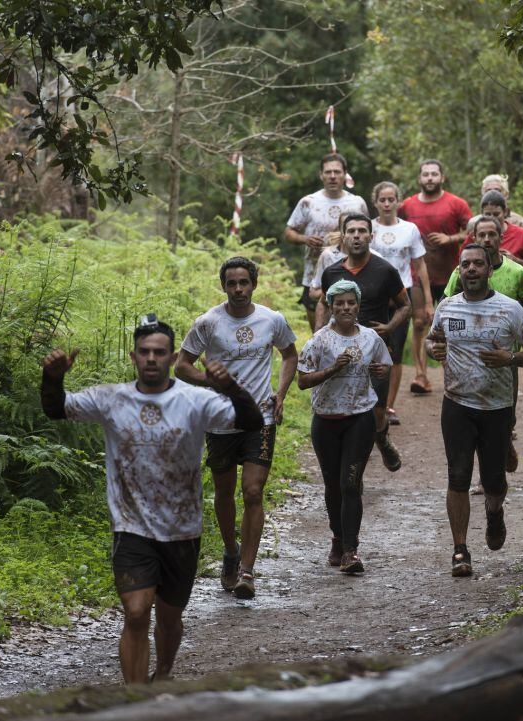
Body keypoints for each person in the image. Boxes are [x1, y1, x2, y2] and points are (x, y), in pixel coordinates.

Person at [40, 316, 263, 683]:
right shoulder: (111, 398)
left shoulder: (195, 400)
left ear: (173, 357)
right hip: (131, 526)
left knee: (170, 617)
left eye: (159, 352)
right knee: (136, 611)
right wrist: (53, 377)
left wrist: (232, 386)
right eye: (144, 352)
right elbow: (56, 408)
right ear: (133, 357)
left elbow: (251, 421)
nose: (151, 358)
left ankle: (163, 671)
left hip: (182, 529)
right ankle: (135, 699)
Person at [174, 257, 298, 600]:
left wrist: (281, 394)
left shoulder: (271, 319)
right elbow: (182, 365)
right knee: (225, 492)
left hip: (259, 418)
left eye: (244, 282)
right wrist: (208, 380)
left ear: (254, 284)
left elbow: (290, 355)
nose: (239, 289)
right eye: (232, 283)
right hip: (220, 420)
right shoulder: (208, 322)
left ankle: (247, 570)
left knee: (253, 491)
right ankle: (230, 550)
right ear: (223, 285)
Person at [426, 245, 523, 578]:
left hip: (497, 407)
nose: (472, 269)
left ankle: (494, 513)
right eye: (466, 265)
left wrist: (511, 358)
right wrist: (433, 348)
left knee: (494, 482)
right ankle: (460, 549)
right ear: (459, 271)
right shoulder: (447, 307)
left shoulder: (510, 310)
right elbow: (433, 340)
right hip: (457, 404)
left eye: (478, 264)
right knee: (458, 476)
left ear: (490, 270)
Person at [297, 280, 392, 574]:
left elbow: (384, 364)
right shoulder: (319, 341)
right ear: (331, 307)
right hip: (325, 420)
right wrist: (333, 369)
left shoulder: (370, 337)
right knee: (332, 486)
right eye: (340, 303)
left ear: (358, 306)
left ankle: (351, 550)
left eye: (351, 302)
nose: (346, 308)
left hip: (359, 418)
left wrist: (380, 370)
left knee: (350, 484)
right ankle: (337, 539)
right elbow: (302, 381)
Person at [316, 213, 409, 472]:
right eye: (352, 231)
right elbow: (323, 304)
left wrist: (389, 326)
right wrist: (318, 337)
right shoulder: (332, 272)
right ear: (343, 236)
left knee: (378, 411)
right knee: (347, 408)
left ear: (371, 235)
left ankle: (381, 437)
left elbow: (405, 306)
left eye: (362, 231)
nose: (357, 236)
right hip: (339, 350)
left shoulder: (385, 271)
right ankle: (353, 466)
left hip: (376, 351)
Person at [447, 214, 523, 482]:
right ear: (473, 238)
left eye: (492, 235)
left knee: (506, 408)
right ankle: (479, 475)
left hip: (505, 353)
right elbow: (447, 304)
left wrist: (514, 321)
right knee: (468, 414)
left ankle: (504, 440)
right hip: (466, 355)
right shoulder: (459, 272)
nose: (487, 239)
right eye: (481, 235)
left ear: (501, 237)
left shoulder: (516, 271)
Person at [398, 159, 472, 395]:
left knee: (452, 325)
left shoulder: (456, 203)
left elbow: (471, 231)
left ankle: (453, 374)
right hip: (418, 273)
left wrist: (449, 239)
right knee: (419, 323)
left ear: (442, 177)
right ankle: (420, 376)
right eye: (426, 174)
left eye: (434, 174)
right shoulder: (406, 206)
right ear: (419, 178)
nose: (430, 178)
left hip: (451, 273)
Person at [370, 181, 432, 426]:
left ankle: (388, 406)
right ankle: (369, 405)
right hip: (372, 294)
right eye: (382, 200)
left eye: (391, 199)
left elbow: (420, 265)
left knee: (395, 351)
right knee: (371, 350)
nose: (386, 204)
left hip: (401, 296)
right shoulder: (367, 228)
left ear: (398, 201)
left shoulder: (410, 229)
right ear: (375, 202)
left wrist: (427, 300)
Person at [285, 153, 369, 331]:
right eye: (328, 172)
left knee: (352, 329)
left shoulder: (356, 202)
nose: (332, 176)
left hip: (352, 273)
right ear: (321, 175)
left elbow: (367, 234)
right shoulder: (308, 202)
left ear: (345, 175)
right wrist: (304, 239)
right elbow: (289, 232)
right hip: (314, 275)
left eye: (337, 172)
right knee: (318, 330)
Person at [464, 190, 523, 278]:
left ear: (506, 212)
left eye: (496, 214)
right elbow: (460, 268)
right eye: (487, 214)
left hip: (511, 289)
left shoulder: (521, 234)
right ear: (481, 214)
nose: (492, 218)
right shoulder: (475, 236)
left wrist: (517, 261)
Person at [466, 174, 523, 245]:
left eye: (498, 190)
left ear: (506, 194)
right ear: (483, 195)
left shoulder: (521, 223)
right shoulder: (474, 223)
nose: (493, 194)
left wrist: (513, 259)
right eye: (488, 191)